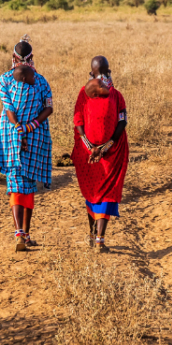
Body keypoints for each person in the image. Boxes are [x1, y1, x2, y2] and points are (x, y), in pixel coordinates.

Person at [0, 35, 53, 252]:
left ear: (13, 57)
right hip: (35, 136)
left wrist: (18, 127)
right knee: (29, 186)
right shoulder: (42, 81)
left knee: (15, 184)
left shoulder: (5, 80)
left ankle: (20, 233)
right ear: (32, 58)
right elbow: (49, 108)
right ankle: (25, 234)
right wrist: (31, 126)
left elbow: (8, 108)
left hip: (11, 135)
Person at [71, 55, 129, 253]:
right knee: (106, 192)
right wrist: (106, 146)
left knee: (93, 192)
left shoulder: (83, 94)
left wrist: (90, 147)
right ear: (108, 72)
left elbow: (78, 120)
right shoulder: (116, 95)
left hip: (88, 153)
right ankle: (99, 240)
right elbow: (123, 122)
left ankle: (92, 235)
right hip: (110, 152)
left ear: (91, 74)